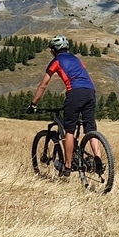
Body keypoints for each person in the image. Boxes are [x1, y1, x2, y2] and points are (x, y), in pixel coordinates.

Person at [27, 35, 102, 177]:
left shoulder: (56, 61)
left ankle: (67, 167)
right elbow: (88, 78)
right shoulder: (77, 59)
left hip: (75, 92)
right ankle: (98, 161)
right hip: (90, 91)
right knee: (90, 128)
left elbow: (43, 85)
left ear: (54, 50)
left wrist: (33, 103)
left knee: (69, 130)